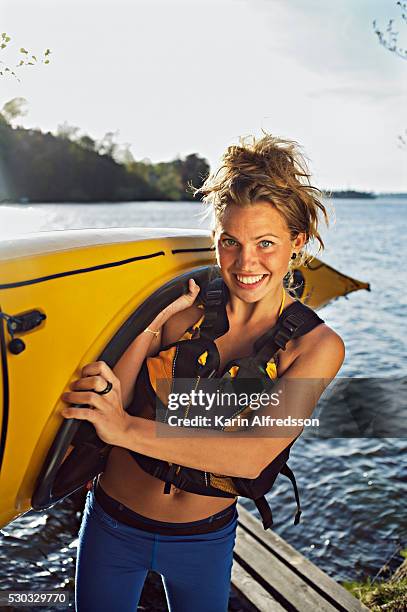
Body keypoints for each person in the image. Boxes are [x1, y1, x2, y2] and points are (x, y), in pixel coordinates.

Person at [61, 133, 345, 612]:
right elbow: (115, 399)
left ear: (297, 243)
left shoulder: (316, 346)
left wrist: (124, 427)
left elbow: (253, 456)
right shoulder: (182, 313)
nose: (246, 262)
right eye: (230, 242)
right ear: (216, 237)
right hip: (112, 521)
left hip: (203, 540)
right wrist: (150, 325)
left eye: (266, 243)